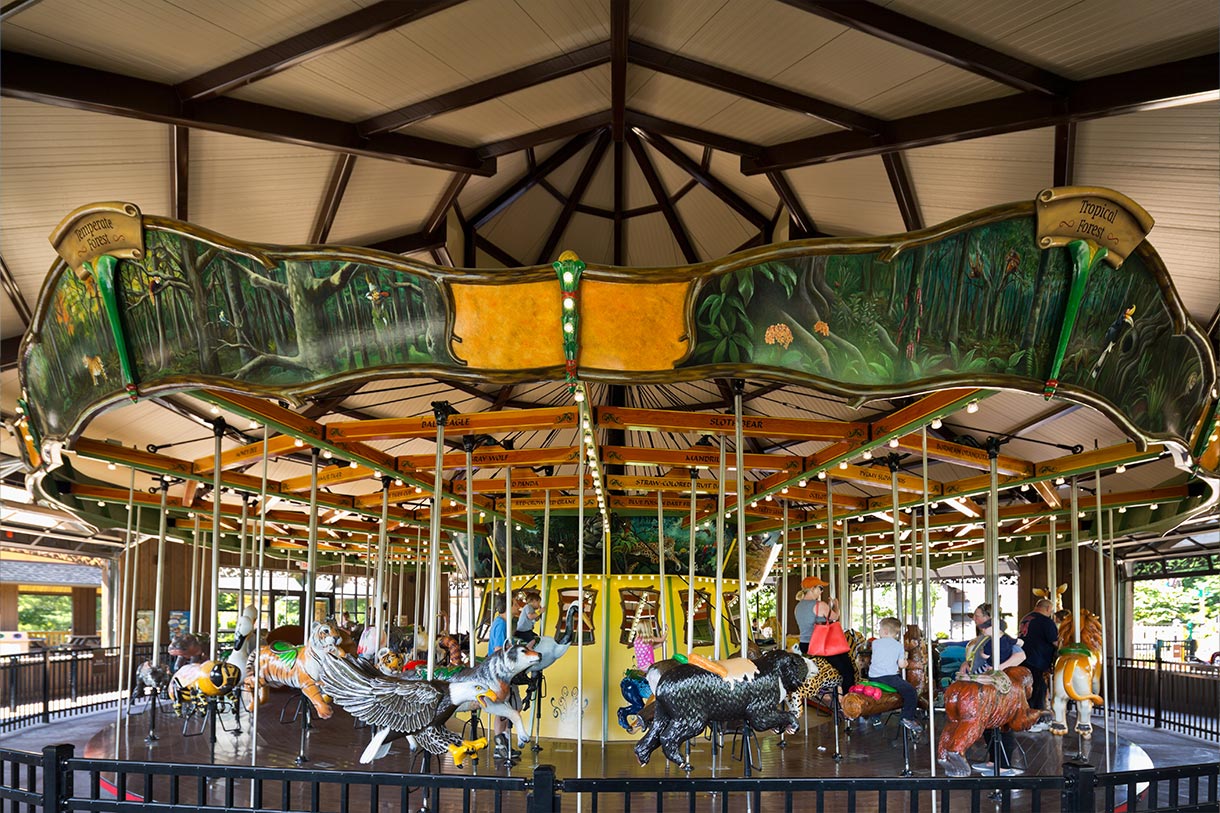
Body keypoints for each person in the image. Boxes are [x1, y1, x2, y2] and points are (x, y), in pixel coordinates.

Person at [959, 603, 1026, 775]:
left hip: (996, 685)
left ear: (989, 618)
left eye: (978, 615)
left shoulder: (1002, 637)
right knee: (987, 721)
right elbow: (974, 658)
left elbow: (1020, 655)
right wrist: (966, 664)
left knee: (1001, 722)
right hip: (982, 684)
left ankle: (1003, 763)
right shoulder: (981, 638)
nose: (975, 619)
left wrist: (997, 668)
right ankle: (992, 760)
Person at [869, 617, 922, 738]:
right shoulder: (899, 646)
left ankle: (875, 717)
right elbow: (901, 665)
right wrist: (906, 663)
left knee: (879, 694)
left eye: (880, 630)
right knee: (911, 691)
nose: (879, 632)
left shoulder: (875, 643)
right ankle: (907, 717)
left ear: (886, 631)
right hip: (889, 677)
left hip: (873, 677)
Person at [800, 576, 854, 695]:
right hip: (820, 645)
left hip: (804, 645)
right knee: (848, 670)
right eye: (820, 588)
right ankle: (848, 701)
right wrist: (835, 605)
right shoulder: (820, 605)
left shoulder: (798, 607)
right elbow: (835, 617)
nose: (821, 591)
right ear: (812, 589)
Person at [1018, 598, 1059, 728]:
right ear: (1047, 609)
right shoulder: (1046, 622)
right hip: (1038, 659)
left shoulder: (1026, 618)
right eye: (1051, 610)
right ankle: (1035, 721)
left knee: (1026, 689)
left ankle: (1024, 717)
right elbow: (1054, 641)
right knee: (1038, 689)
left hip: (1022, 658)